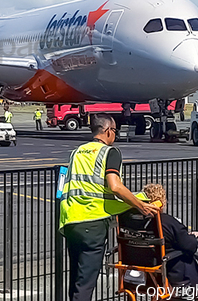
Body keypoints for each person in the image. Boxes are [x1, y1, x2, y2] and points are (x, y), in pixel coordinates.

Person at [60, 115, 158, 301]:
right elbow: (115, 186)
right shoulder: (109, 152)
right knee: (86, 282)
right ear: (107, 132)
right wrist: (141, 205)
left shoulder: (77, 152)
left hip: (71, 220)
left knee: (76, 279)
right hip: (93, 222)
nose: (116, 135)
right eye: (115, 131)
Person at [141, 183, 198, 289]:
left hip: (146, 271)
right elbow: (190, 246)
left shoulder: (138, 224)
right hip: (172, 271)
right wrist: (193, 237)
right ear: (161, 201)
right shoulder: (167, 222)